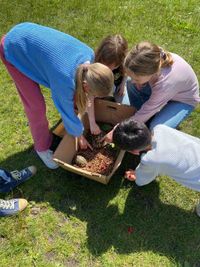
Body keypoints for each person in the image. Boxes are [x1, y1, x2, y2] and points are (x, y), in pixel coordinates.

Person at [0, 22, 114, 169]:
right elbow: (64, 109)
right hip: (15, 49)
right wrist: (78, 134)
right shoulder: (65, 82)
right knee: (35, 106)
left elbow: (81, 93)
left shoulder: (89, 57)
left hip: (27, 35)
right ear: (86, 85)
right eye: (93, 94)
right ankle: (41, 149)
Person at [112, 118, 200, 217]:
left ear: (134, 152)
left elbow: (141, 181)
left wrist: (136, 175)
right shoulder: (160, 128)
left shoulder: (150, 160)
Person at [123, 41, 200, 129]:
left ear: (151, 72)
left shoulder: (165, 83)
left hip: (183, 101)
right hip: (167, 90)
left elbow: (149, 108)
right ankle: (143, 117)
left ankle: (144, 119)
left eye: (136, 79)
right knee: (130, 83)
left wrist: (122, 128)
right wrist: (138, 81)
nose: (133, 81)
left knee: (157, 128)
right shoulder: (152, 57)